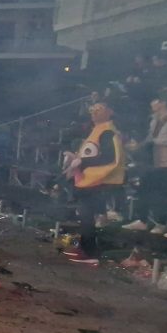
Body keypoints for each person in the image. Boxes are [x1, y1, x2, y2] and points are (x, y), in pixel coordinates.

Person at [62, 102, 126, 265]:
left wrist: (81, 161)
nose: (94, 113)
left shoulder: (107, 132)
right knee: (85, 216)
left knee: (87, 215)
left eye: (98, 110)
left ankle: (89, 252)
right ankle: (85, 249)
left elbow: (108, 158)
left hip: (98, 180)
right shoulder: (98, 131)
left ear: (109, 112)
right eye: (92, 110)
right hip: (90, 179)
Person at [122, 96, 167, 232]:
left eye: (155, 101)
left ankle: (160, 223)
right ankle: (144, 220)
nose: (152, 104)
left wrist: (155, 141)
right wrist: (138, 146)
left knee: (159, 192)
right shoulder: (155, 118)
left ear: (163, 103)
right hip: (156, 161)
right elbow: (150, 138)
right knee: (144, 187)